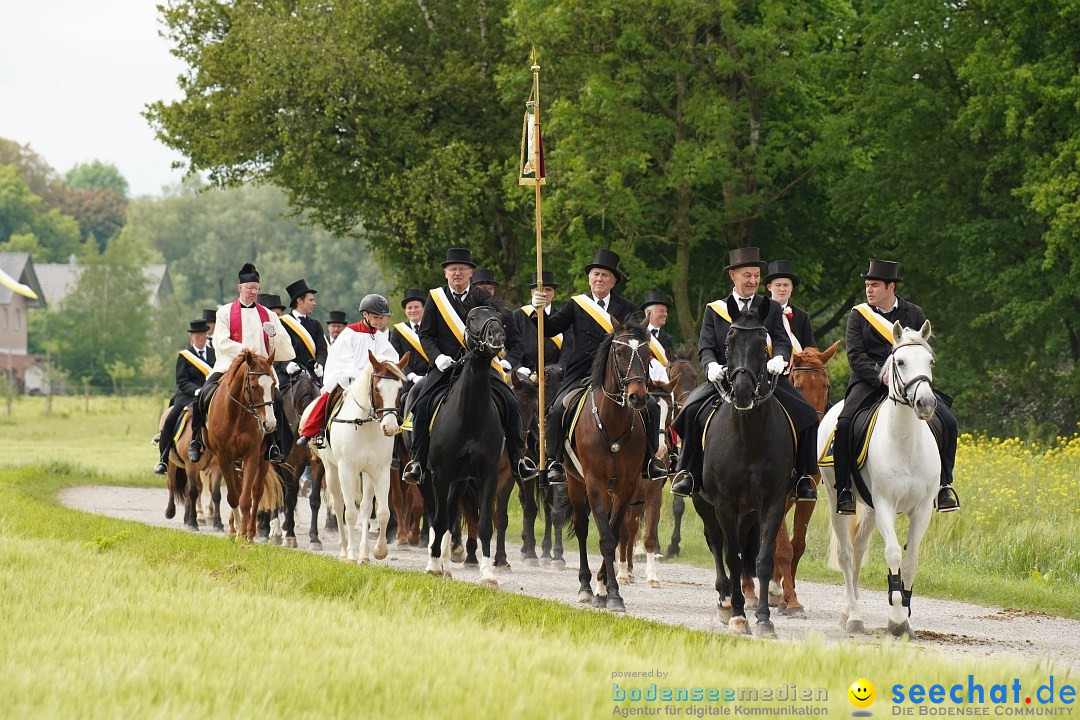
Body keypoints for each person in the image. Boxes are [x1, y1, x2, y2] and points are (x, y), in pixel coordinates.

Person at [669, 247, 819, 501]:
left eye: (757, 275)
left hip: (764, 378)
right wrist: (710, 366)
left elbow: (782, 340)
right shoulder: (714, 309)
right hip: (724, 379)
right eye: (747, 275)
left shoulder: (770, 307)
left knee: (806, 414)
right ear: (733, 276)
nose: (752, 281)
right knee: (690, 412)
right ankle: (689, 472)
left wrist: (780, 358)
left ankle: (804, 476)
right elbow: (706, 346)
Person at [832, 259, 960, 515]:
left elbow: (923, 351)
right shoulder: (858, 315)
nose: (869, 290)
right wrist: (883, 376)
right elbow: (855, 356)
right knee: (845, 423)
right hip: (870, 382)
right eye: (867, 285)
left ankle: (945, 485)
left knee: (949, 421)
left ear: (891, 287)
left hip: (910, 381)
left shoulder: (914, 313)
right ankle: (844, 488)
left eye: (875, 285)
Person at [530, 249, 667, 484]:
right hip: (582, 370)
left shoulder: (627, 307)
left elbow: (635, 341)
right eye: (595, 274)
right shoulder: (576, 304)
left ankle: (649, 460)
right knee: (557, 410)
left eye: (605, 275)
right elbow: (550, 329)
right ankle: (554, 462)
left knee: (652, 407)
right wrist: (537, 310)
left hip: (619, 373)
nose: (599, 279)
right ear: (589, 278)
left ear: (613, 281)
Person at [401, 247, 537, 484]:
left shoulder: (482, 298)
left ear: (470, 273)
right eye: (452, 269)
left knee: (512, 404)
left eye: (462, 269)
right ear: (445, 273)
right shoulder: (435, 298)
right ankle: (418, 462)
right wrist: (437, 357)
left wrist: (506, 361)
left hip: (481, 368)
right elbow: (426, 335)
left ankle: (518, 460)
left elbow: (503, 329)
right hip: (446, 368)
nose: (457, 274)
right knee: (421, 405)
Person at [187, 263, 295, 463]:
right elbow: (221, 341)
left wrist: (273, 337)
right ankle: (196, 441)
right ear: (240, 288)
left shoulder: (269, 315)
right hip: (230, 367)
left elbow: (285, 349)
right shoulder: (225, 313)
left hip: (260, 371)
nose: (253, 292)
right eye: (249, 288)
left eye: (256, 288)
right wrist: (247, 354)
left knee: (277, 400)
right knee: (202, 394)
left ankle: (273, 444)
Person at [296, 294, 398, 447]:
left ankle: (401, 435)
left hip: (374, 381)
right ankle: (313, 432)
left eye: (382, 318)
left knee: (392, 400)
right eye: (376, 317)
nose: (380, 321)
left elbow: (391, 357)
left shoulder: (380, 336)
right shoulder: (350, 333)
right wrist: (361, 376)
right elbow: (344, 359)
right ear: (365, 314)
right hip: (350, 380)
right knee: (329, 397)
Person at [153, 319, 215, 474]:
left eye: (203, 334)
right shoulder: (185, 356)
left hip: (210, 393)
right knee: (170, 419)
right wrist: (195, 390)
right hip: (188, 395)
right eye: (198, 335)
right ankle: (163, 458)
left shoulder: (214, 354)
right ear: (191, 337)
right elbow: (181, 381)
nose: (201, 337)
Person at [277, 279, 328, 393]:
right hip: (289, 374)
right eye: (311, 300)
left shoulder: (316, 325)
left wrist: (320, 364)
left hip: (312, 373)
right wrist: (286, 365)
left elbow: (322, 351)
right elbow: (276, 350)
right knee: (276, 399)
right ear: (299, 301)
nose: (314, 303)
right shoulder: (281, 323)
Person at [514, 271, 569, 376]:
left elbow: (568, 348)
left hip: (553, 375)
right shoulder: (518, 316)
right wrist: (519, 367)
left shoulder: (563, 316)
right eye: (540, 289)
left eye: (548, 290)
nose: (544, 293)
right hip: (523, 375)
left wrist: (559, 369)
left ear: (553, 294)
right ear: (532, 292)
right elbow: (512, 344)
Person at [764, 260, 816, 353]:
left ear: (792, 287)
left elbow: (810, 349)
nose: (782, 289)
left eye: (786, 285)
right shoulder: (760, 311)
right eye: (778, 285)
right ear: (769, 287)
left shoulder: (802, 316)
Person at [389, 289, 431, 385]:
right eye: (409, 308)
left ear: (423, 309)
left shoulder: (432, 327)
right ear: (405, 311)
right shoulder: (398, 330)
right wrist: (412, 376)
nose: (413, 310)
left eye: (416, 307)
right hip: (407, 379)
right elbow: (396, 357)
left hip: (431, 376)